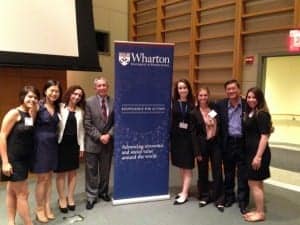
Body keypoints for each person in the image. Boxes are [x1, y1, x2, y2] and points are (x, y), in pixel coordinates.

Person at [0, 86, 40, 225]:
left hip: (24, 158)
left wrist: (34, 108)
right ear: (22, 96)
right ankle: (29, 223)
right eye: (30, 96)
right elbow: (2, 135)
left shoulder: (29, 114)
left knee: (11, 191)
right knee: (23, 194)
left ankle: (11, 222)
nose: (33, 99)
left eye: (35, 97)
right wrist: (5, 162)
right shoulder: (14, 113)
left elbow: (32, 123)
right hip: (14, 159)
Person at [216, 79, 249, 214]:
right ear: (226, 91)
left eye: (233, 88)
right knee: (228, 173)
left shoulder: (248, 105)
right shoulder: (221, 104)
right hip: (228, 143)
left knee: (243, 174)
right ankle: (229, 197)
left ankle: (243, 201)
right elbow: (211, 115)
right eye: (228, 89)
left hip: (243, 144)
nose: (231, 91)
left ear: (239, 89)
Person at [31, 80, 62, 223]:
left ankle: (47, 206)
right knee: (42, 179)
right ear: (45, 91)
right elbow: (28, 124)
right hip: (40, 145)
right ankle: (39, 209)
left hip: (53, 145)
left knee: (49, 178)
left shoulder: (57, 107)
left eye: (57, 91)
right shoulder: (37, 106)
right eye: (52, 90)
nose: (54, 93)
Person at [243, 87, 272, 222]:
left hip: (258, 154)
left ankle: (260, 213)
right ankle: (259, 209)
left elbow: (265, 136)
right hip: (251, 153)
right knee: (256, 183)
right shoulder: (251, 112)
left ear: (259, 99)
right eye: (249, 97)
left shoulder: (261, 114)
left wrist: (258, 156)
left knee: (254, 183)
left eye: (254, 97)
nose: (251, 99)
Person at [192, 87, 224, 212]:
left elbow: (220, 124)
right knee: (203, 171)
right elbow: (193, 134)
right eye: (201, 95)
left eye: (205, 95)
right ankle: (204, 196)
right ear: (197, 97)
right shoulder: (194, 113)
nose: (203, 97)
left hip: (215, 144)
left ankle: (219, 198)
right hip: (202, 145)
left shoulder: (214, 108)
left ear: (208, 96)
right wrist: (197, 151)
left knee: (217, 171)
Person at [84, 76, 114, 210]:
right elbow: (87, 123)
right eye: (99, 85)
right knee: (91, 172)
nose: (102, 88)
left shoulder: (114, 102)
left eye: (104, 85)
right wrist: (99, 136)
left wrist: (109, 135)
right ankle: (91, 196)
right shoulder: (88, 102)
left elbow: (118, 122)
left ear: (108, 87)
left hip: (108, 142)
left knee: (105, 170)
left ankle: (103, 192)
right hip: (93, 143)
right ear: (95, 88)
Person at [55, 85, 86, 213]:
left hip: (74, 144)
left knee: (73, 173)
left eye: (79, 95)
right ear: (69, 94)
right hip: (60, 144)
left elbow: (82, 131)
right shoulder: (60, 107)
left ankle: (70, 197)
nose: (77, 97)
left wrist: (82, 146)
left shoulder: (80, 111)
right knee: (61, 173)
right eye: (75, 94)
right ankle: (62, 199)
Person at [170, 78, 198, 205]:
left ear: (188, 89)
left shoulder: (194, 103)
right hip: (177, 139)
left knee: (187, 167)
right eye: (180, 88)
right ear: (177, 90)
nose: (182, 90)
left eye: (184, 87)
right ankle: (183, 190)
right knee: (181, 166)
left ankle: (185, 193)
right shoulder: (173, 103)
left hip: (189, 139)